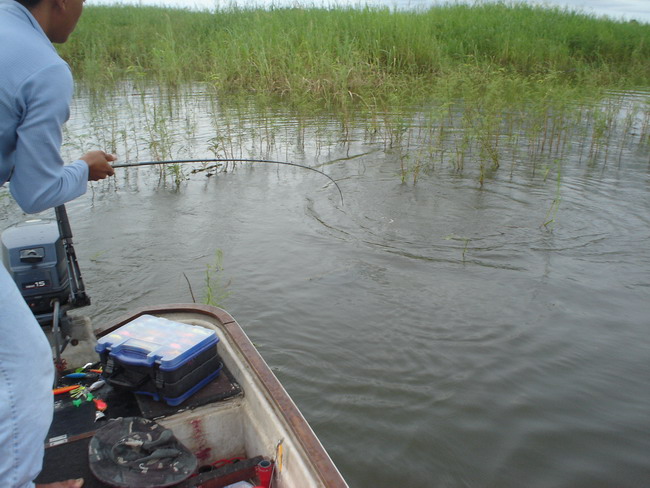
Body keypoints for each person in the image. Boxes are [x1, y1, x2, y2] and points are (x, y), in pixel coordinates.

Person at [0, 0, 116, 486]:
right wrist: (83, 169)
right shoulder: (45, 66)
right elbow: (36, 192)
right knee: (23, 367)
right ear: (62, 1)